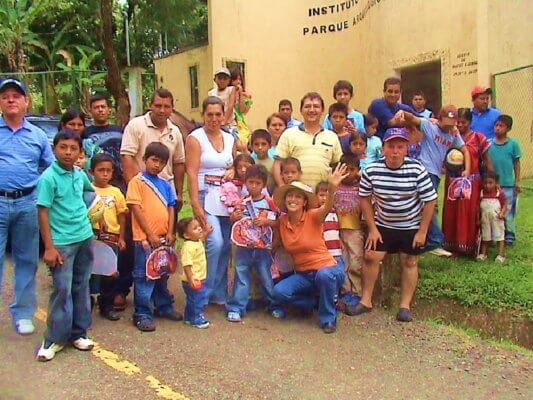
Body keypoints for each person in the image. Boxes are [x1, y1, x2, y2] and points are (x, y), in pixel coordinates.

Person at [352, 128, 437, 322]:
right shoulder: (372, 170)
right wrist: (372, 228)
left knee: (410, 260)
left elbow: (430, 200)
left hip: (410, 224)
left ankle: (404, 306)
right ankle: (366, 301)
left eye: (400, 146)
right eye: (391, 146)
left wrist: (422, 231)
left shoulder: (417, 169)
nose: (395, 151)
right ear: (383, 149)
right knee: (371, 256)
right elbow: (364, 198)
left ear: (407, 149)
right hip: (384, 223)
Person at [120, 88, 185, 309]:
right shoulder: (136, 125)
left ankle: (163, 305)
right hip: (141, 195)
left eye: (167, 106)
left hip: (164, 193)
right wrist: (135, 190)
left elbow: (179, 163)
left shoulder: (174, 132)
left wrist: (177, 192)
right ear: (151, 104)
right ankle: (142, 311)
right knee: (142, 266)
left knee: (162, 264)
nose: (162, 110)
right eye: (158, 105)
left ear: (172, 108)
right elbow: (127, 157)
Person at [0, 77, 54, 335]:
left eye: (16, 95)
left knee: (26, 260)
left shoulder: (38, 135)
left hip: (27, 203)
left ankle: (23, 314)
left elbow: (51, 167)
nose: (10, 99)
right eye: (5, 96)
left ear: (26, 102)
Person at [36, 130, 95, 361]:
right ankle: (53, 339)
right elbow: (43, 211)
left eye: (73, 148)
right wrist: (48, 247)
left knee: (81, 286)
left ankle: (78, 333)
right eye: (63, 147)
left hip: (84, 237)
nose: (68, 152)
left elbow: (91, 193)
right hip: (61, 243)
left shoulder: (79, 174)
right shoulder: (48, 178)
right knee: (62, 290)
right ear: (54, 149)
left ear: (80, 152)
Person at [272, 164, 348, 334]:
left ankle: (328, 318)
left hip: (328, 269)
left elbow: (327, 207)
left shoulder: (313, 216)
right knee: (279, 292)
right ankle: (316, 302)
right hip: (304, 275)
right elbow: (274, 240)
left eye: (298, 197)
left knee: (324, 275)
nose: (293, 199)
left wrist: (332, 188)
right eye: (289, 196)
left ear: (304, 202)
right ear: (285, 200)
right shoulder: (283, 222)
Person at [186, 96, 237, 305]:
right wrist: (195, 203)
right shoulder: (195, 138)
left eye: (218, 114)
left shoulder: (230, 138)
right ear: (203, 115)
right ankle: (202, 292)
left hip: (227, 198)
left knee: (225, 245)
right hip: (205, 196)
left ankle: (219, 292)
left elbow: (235, 163)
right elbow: (191, 172)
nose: (214, 119)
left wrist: (233, 170)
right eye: (210, 114)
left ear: (224, 115)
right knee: (214, 242)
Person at [401, 105, 471, 257]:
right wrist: (403, 113)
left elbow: (465, 150)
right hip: (425, 170)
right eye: (446, 123)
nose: (448, 127)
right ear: (439, 119)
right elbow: (411, 118)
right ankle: (434, 240)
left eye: (452, 124)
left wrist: (467, 169)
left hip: (437, 174)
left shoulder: (453, 134)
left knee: (425, 206)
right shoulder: (429, 126)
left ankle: (423, 241)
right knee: (428, 205)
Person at [126, 142, 182, 332]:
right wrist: (149, 234)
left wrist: (170, 232)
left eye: (161, 162)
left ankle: (163, 306)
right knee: (145, 276)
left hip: (163, 239)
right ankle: (142, 314)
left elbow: (171, 207)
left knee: (162, 273)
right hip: (145, 239)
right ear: (145, 159)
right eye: (154, 160)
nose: (157, 165)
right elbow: (136, 208)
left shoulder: (165, 185)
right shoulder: (137, 182)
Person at [226, 165, 284, 322]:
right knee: (241, 275)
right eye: (250, 182)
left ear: (264, 185)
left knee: (266, 276)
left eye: (257, 183)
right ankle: (237, 307)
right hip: (243, 247)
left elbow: (280, 222)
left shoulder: (270, 202)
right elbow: (233, 221)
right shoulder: (242, 202)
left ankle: (274, 305)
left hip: (263, 247)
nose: (253, 186)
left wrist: (266, 221)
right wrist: (234, 217)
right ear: (245, 183)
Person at [442, 108, 492, 256]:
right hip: (453, 180)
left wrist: (491, 180)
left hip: (472, 181)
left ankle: (470, 246)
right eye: (457, 122)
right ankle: (452, 246)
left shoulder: (478, 138)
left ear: (470, 122)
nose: (460, 125)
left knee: (469, 213)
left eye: (463, 122)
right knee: (452, 213)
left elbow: (487, 160)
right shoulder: (449, 136)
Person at [274, 92, 342, 189]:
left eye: (316, 106)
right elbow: (278, 163)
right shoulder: (289, 134)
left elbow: (337, 166)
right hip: (296, 196)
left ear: (322, 110)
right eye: (307, 106)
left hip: (322, 197)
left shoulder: (332, 137)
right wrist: (282, 187)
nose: (312, 110)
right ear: (301, 110)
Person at [89, 153, 127, 320]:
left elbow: (122, 215)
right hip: (91, 238)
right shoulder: (88, 190)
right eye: (100, 170)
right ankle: (86, 304)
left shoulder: (116, 192)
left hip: (111, 238)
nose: (105, 174)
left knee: (110, 273)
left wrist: (122, 237)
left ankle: (107, 305)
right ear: (91, 171)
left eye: (108, 171)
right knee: (90, 273)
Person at [333, 153, 364, 313]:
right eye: (345, 169)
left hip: (355, 230)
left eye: (352, 170)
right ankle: (345, 293)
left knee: (355, 262)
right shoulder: (335, 186)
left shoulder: (361, 185)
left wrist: (359, 174)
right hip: (337, 229)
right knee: (342, 262)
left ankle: (357, 292)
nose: (349, 173)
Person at [488, 115, 522, 245]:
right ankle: (494, 236)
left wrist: (517, 181)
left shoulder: (513, 144)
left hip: (508, 184)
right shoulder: (489, 144)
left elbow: (517, 163)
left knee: (508, 210)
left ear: (508, 128)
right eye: (496, 125)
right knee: (494, 210)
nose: (498, 128)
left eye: (501, 126)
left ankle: (510, 235)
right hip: (493, 184)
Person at [177, 217, 211, 329]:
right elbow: (187, 264)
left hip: (198, 278)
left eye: (199, 226)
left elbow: (201, 238)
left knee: (191, 300)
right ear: (186, 235)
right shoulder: (188, 247)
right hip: (193, 280)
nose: (199, 229)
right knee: (197, 300)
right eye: (195, 228)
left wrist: (206, 232)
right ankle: (197, 319)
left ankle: (188, 317)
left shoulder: (196, 241)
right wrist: (191, 278)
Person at [477, 172, 507, 263]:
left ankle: (501, 254)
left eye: (490, 183)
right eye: (485, 183)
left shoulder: (499, 193)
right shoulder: (482, 193)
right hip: (485, 219)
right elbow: (478, 207)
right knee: (485, 236)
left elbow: (505, 204)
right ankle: (483, 254)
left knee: (499, 235)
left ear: (496, 183)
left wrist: (502, 213)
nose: (487, 185)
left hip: (496, 218)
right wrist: (478, 218)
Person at [229, 68, 252, 146]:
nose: (238, 82)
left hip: (240, 124)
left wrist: (241, 94)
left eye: (240, 79)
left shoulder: (245, 95)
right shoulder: (227, 93)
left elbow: (243, 111)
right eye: (235, 79)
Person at [250, 129, 275, 193]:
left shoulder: (274, 164)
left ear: (270, 145)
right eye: (256, 144)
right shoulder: (251, 163)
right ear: (251, 146)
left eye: (263, 144)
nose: (260, 147)